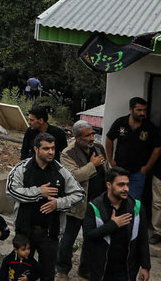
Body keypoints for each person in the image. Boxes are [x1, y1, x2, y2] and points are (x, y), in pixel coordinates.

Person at [6, 132, 84, 281]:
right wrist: (38, 192)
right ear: (36, 149)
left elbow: (79, 194)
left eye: (53, 148)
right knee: (21, 271)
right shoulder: (23, 168)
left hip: (50, 233)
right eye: (46, 148)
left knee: (47, 274)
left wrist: (58, 203)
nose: (51, 152)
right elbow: (11, 190)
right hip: (25, 230)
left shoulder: (61, 171)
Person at [58, 119, 109, 279]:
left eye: (92, 134)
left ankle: (85, 269)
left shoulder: (98, 148)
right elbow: (74, 176)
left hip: (97, 203)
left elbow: (106, 168)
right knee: (68, 238)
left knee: (91, 238)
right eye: (87, 136)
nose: (92, 139)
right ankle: (62, 270)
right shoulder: (68, 153)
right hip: (79, 203)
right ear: (77, 137)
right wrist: (92, 165)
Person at [82, 167, 151, 281]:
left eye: (127, 184)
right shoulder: (95, 206)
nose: (126, 189)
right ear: (109, 185)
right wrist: (113, 225)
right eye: (121, 185)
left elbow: (143, 239)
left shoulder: (135, 207)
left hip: (126, 270)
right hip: (101, 270)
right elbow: (88, 235)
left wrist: (145, 266)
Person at [106, 97, 160, 205]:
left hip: (138, 172)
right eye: (139, 110)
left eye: (144, 110)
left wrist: (147, 167)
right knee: (115, 199)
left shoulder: (149, 127)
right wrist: (110, 160)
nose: (142, 113)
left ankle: (131, 222)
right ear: (131, 110)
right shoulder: (120, 122)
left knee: (133, 202)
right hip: (119, 170)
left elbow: (158, 148)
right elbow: (109, 139)